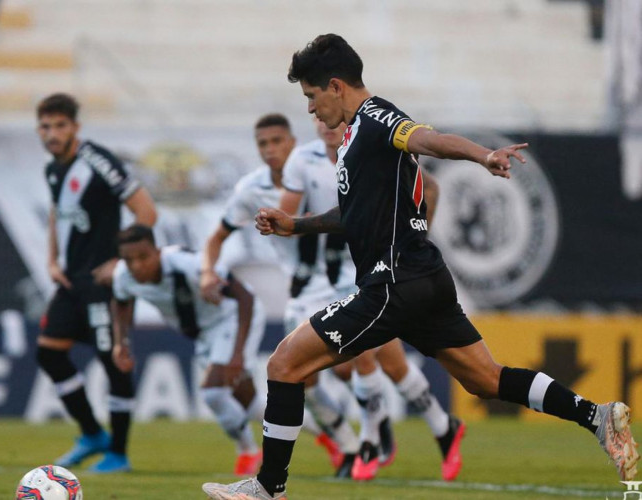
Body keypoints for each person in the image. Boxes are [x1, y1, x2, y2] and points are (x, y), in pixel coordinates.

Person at [202, 34, 639, 499]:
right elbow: (355, 216)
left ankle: (267, 488)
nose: (310, 110)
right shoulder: (354, 136)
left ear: (334, 86)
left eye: (311, 97)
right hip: (422, 278)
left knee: (285, 363)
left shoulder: (375, 117)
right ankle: (597, 417)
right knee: (485, 379)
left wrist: (482, 155)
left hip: (393, 282)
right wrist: (298, 225)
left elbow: (428, 138)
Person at [279, 117, 464, 482]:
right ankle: (442, 426)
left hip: (371, 270)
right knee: (385, 363)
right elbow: (289, 216)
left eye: (329, 115)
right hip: (321, 278)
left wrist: (414, 240)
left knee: (364, 357)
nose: (325, 123)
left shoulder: (368, 151)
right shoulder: (303, 161)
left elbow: (432, 189)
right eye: (316, 115)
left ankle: (369, 440)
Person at [200, 113, 360, 475]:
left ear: (292, 142)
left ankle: (370, 440)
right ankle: (348, 445)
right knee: (302, 374)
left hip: (349, 280)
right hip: (303, 290)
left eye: (277, 141)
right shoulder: (251, 189)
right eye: (263, 144)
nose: (271, 150)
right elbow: (216, 238)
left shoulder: (323, 166)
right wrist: (208, 271)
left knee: (354, 367)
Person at [36, 93, 157, 473]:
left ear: (75, 127)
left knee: (114, 362)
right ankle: (91, 433)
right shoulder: (53, 169)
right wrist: (52, 258)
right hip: (72, 282)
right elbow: (58, 213)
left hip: (104, 286)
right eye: (45, 126)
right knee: (49, 353)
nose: (52, 133)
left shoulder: (98, 161)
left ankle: (118, 452)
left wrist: (121, 262)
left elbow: (146, 212)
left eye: (59, 125)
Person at [109, 224, 266, 476]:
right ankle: (328, 433)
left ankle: (249, 452)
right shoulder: (123, 275)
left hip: (231, 318)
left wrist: (237, 353)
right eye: (129, 260)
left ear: (157, 252)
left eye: (143, 257)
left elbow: (244, 297)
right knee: (248, 402)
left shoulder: (188, 264)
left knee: (214, 392)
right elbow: (121, 303)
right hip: (205, 333)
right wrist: (121, 342)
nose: (136, 265)